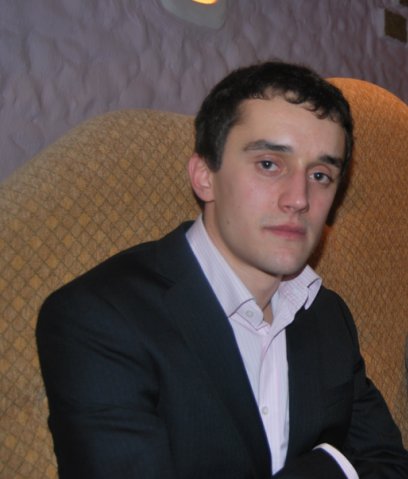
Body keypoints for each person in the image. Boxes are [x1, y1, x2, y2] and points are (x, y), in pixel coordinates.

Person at [36, 61, 408, 478]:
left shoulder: (326, 314)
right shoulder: (99, 317)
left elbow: (390, 464)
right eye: (269, 164)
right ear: (204, 177)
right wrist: (332, 467)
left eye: (321, 174)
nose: (299, 198)